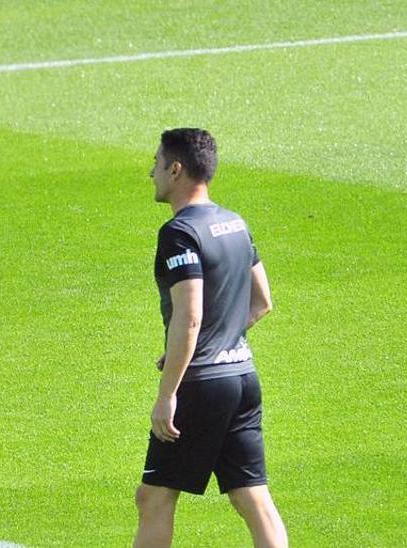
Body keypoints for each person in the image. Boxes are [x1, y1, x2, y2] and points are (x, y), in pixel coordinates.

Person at [133, 128, 286, 548]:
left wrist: (168, 395)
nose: (152, 172)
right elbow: (262, 302)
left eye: (158, 163)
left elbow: (190, 316)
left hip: (200, 386)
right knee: (252, 497)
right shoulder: (234, 222)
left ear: (176, 169)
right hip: (242, 378)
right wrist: (218, 342)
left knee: (155, 497)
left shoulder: (179, 232)